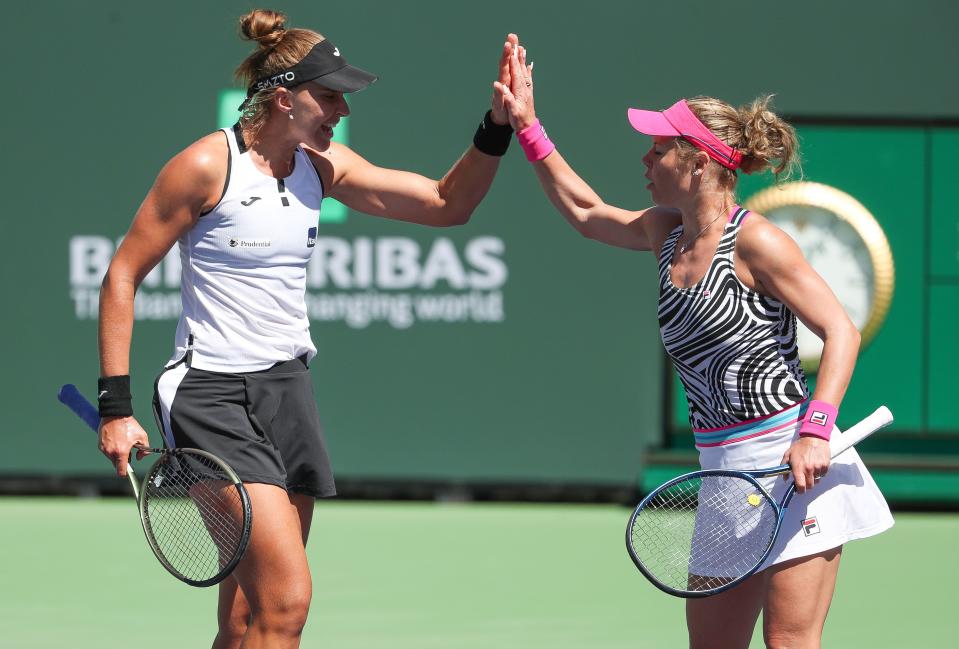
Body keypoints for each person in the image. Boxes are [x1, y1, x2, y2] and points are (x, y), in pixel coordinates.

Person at [96, 10, 516, 649]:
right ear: (283, 96)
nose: (341, 108)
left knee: (244, 619)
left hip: (288, 390)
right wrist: (116, 408)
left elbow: (445, 204)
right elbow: (121, 275)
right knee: (286, 605)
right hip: (210, 394)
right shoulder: (207, 166)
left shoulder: (320, 165)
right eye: (330, 95)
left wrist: (496, 128)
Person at [494, 36, 893, 649]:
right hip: (722, 476)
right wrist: (527, 125)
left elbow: (840, 329)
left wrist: (816, 429)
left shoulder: (759, 243)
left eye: (658, 151)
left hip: (795, 465)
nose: (645, 162)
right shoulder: (663, 234)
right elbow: (584, 210)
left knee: (790, 642)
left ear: (700, 161)